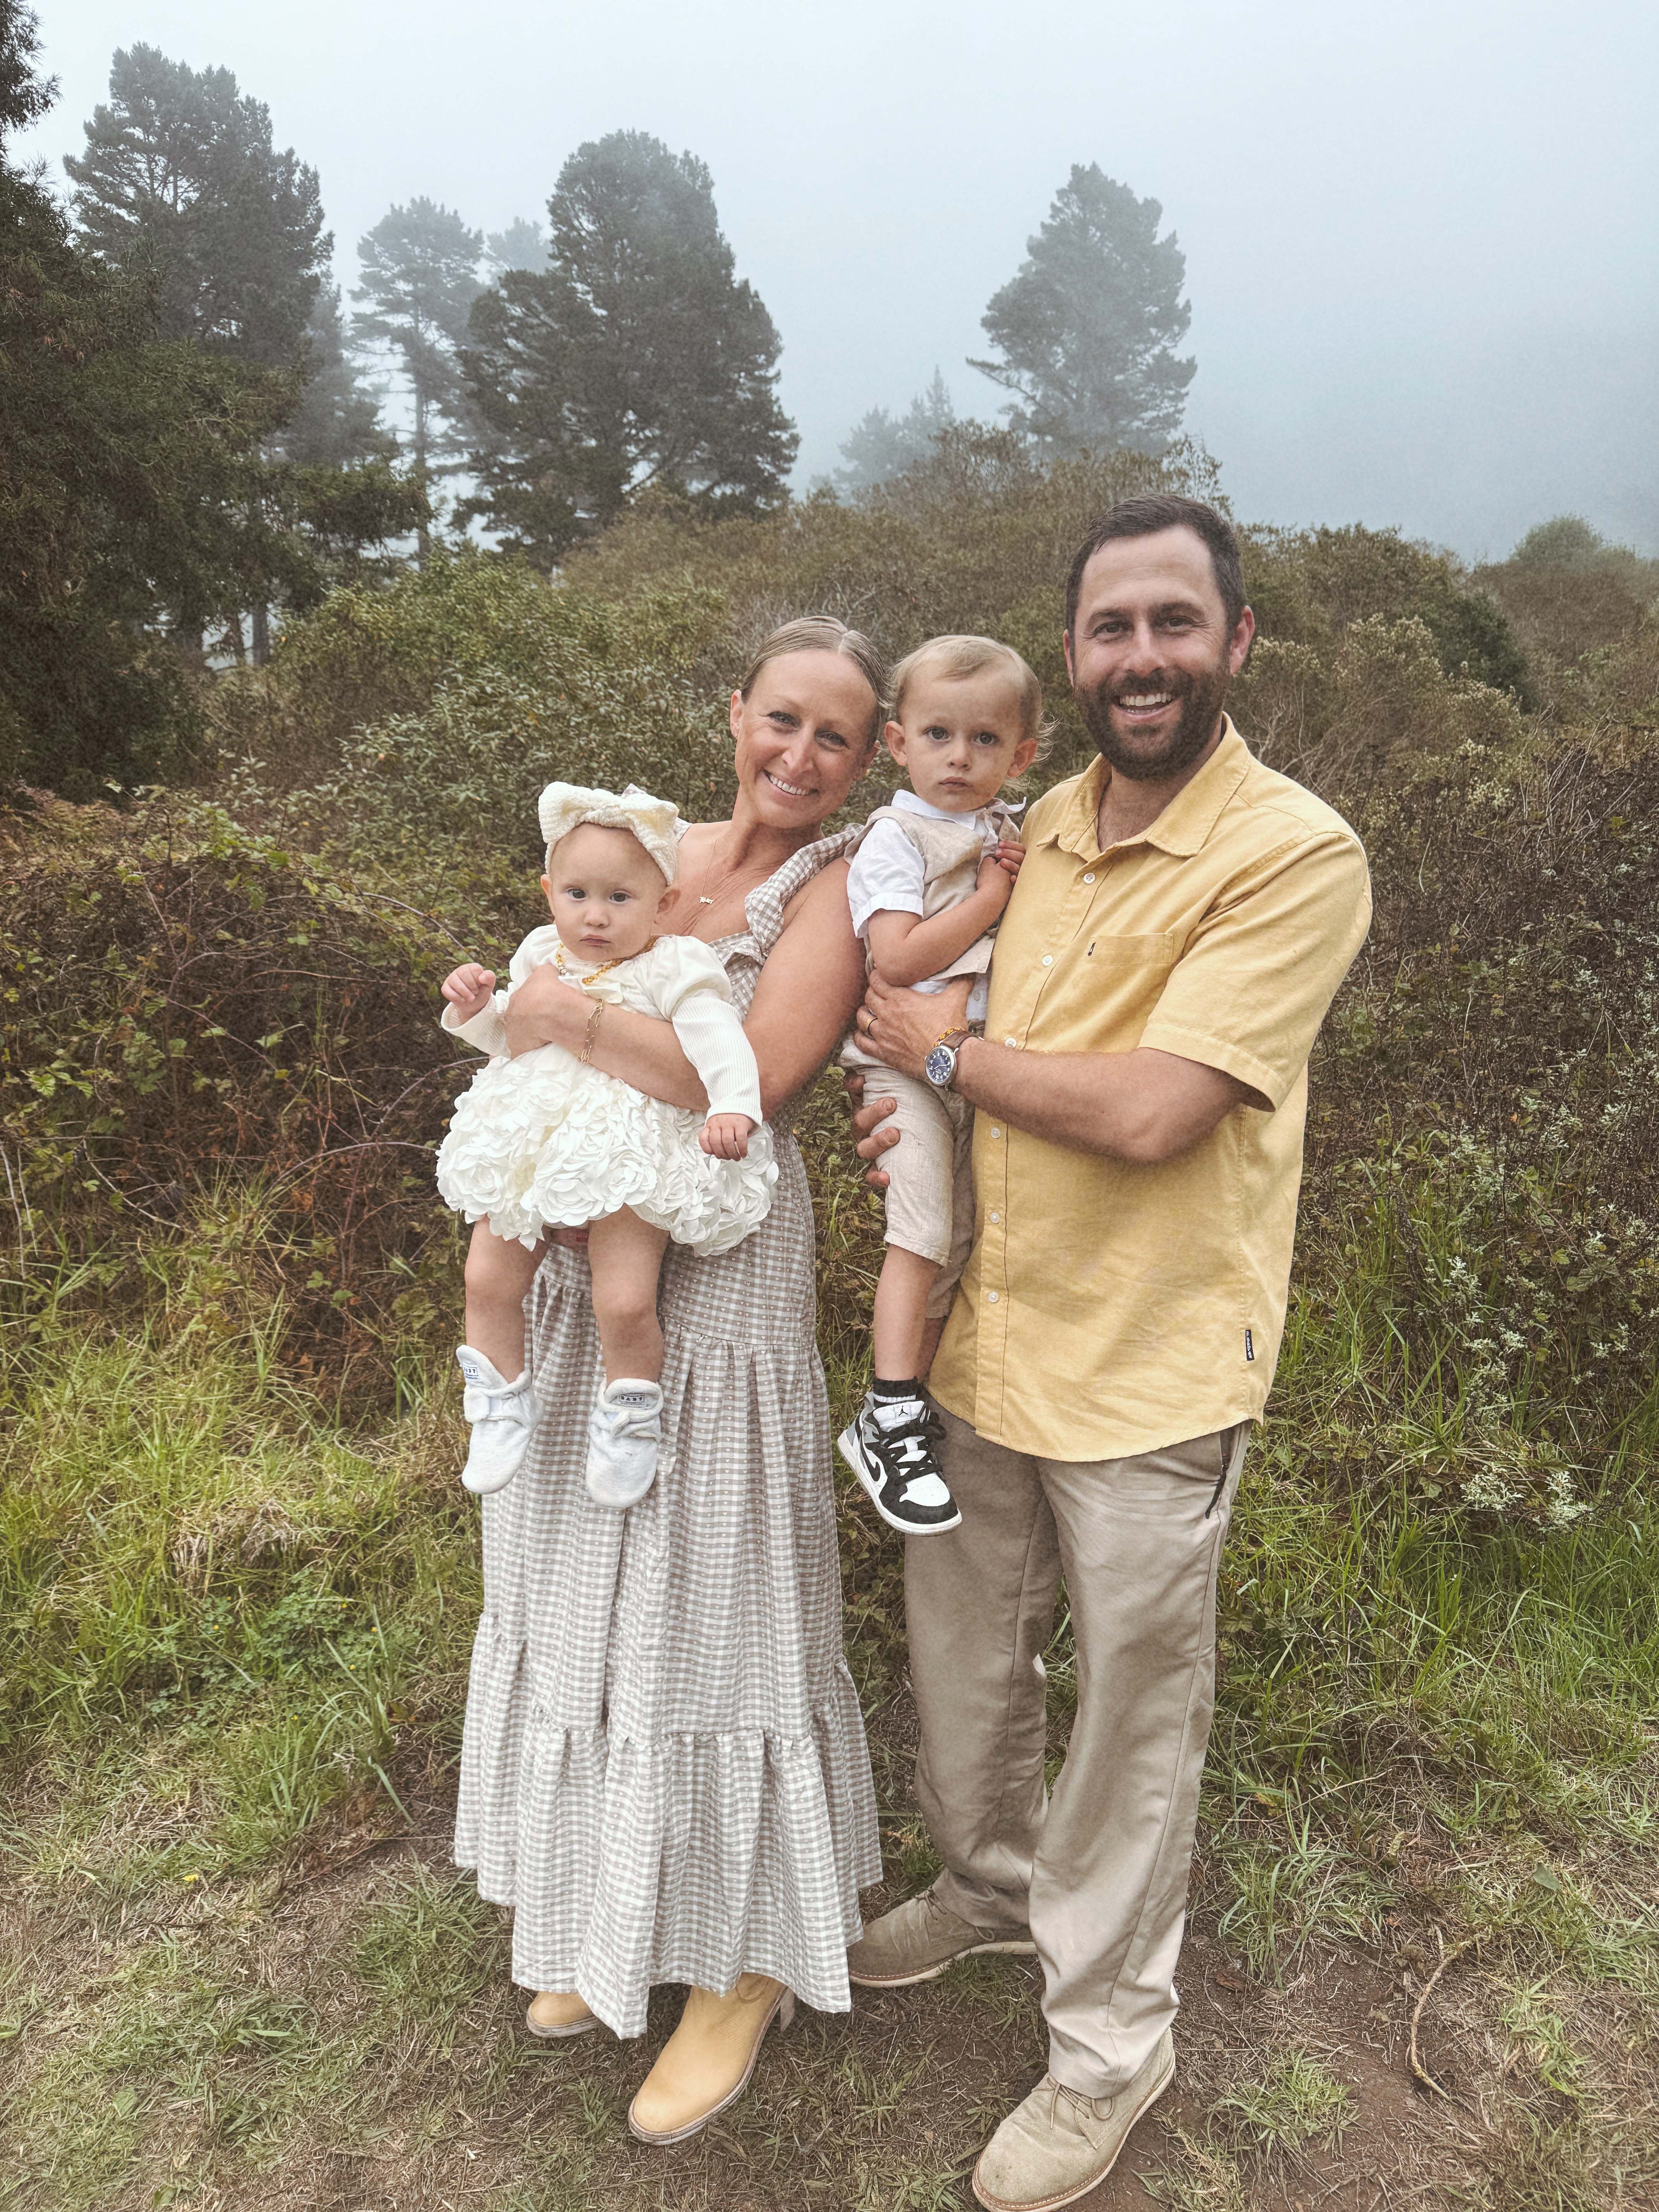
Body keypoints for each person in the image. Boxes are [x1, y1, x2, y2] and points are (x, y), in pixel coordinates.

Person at [845, 496, 1372, 2212]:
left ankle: (1111, 2045)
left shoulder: (1293, 853)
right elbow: (872, 969)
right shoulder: (1033, 823)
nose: (1138, 655)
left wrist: (948, 1057)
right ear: (1069, 654)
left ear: (1236, 642)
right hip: (995, 1335)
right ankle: (993, 1891)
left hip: (1155, 1364)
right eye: (1108, 627)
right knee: (966, 1660)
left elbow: (1155, 1111)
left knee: (1131, 1720)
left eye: (1172, 621)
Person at [451, 617, 886, 2148]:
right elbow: (520, 1008)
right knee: (588, 1551)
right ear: (735, 712)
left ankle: (748, 1958)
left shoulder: (829, 889)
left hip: (729, 1254)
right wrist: (530, 1020)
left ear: (868, 753)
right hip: (584, 1240)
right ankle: (610, 1903)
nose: (799, 755)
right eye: (782, 720)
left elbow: (753, 1085)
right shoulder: (640, 841)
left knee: (719, 1576)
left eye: (836, 735)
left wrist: (573, 1017)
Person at [435, 782, 775, 1504]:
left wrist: (734, 1107)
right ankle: (498, 1401)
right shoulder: (539, 954)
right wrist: (473, 1011)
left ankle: (630, 1415)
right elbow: (511, 1037)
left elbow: (722, 1043)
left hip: (628, 1151)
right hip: (533, 1146)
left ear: (663, 903)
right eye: (577, 894)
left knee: (622, 1302)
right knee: (486, 1280)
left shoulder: (675, 963)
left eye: (620, 899)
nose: (595, 916)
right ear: (548, 892)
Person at [835, 635, 1035, 1535]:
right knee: (918, 1233)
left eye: (986, 741)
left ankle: (901, 1411)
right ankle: (890, 1412)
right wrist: (991, 900)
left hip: (972, 1066)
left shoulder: (1005, 830)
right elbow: (898, 956)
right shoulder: (896, 836)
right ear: (896, 742)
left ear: (1022, 755)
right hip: (905, 1066)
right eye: (939, 734)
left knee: (958, 1248)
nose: (961, 757)